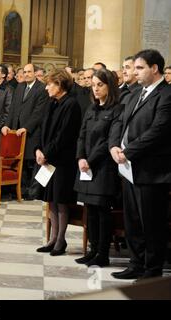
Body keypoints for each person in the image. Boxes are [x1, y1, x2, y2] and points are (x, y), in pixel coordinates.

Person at [109, 49, 171, 281]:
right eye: (133, 68)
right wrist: (114, 146)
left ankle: (152, 269)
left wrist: (128, 152)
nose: (134, 72)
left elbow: (159, 130)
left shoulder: (167, 94)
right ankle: (135, 264)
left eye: (139, 68)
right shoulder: (136, 93)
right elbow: (119, 122)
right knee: (132, 220)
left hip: (152, 170)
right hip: (128, 168)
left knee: (152, 222)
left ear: (154, 68)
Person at [74, 68, 122, 267]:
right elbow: (82, 136)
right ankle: (92, 250)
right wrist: (80, 157)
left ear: (109, 86)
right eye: (93, 85)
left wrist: (89, 160)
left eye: (100, 85)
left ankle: (103, 253)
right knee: (90, 210)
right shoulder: (91, 109)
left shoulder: (116, 109)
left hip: (103, 168)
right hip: (86, 167)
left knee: (102, 212)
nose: (95, 89)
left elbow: (108, 141)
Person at [35, 69, 81, 256]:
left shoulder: (71, 105)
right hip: (48, 159)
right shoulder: (51, 103)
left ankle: (61, 241)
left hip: (62, 161)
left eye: (49, 84)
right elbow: (42, 128)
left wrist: (46, 153)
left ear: (60, 85)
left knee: (61, 201)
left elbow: (64, 135)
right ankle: (52, 239)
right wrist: (38, 149)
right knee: (50, 200)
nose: (46, 88)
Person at [3, 63, 48, 199]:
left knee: (31, 162)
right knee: (20, 162)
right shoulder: (20, 86)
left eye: (29, 72)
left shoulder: (41, 89)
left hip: (32, 132)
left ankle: (32, 191)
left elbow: (38, 113)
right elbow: (12, 109)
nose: (27, 74)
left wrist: (27, 127)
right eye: (25, 72)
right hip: (17, 131)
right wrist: (7, 125)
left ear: (35, 73)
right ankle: (20, 189)